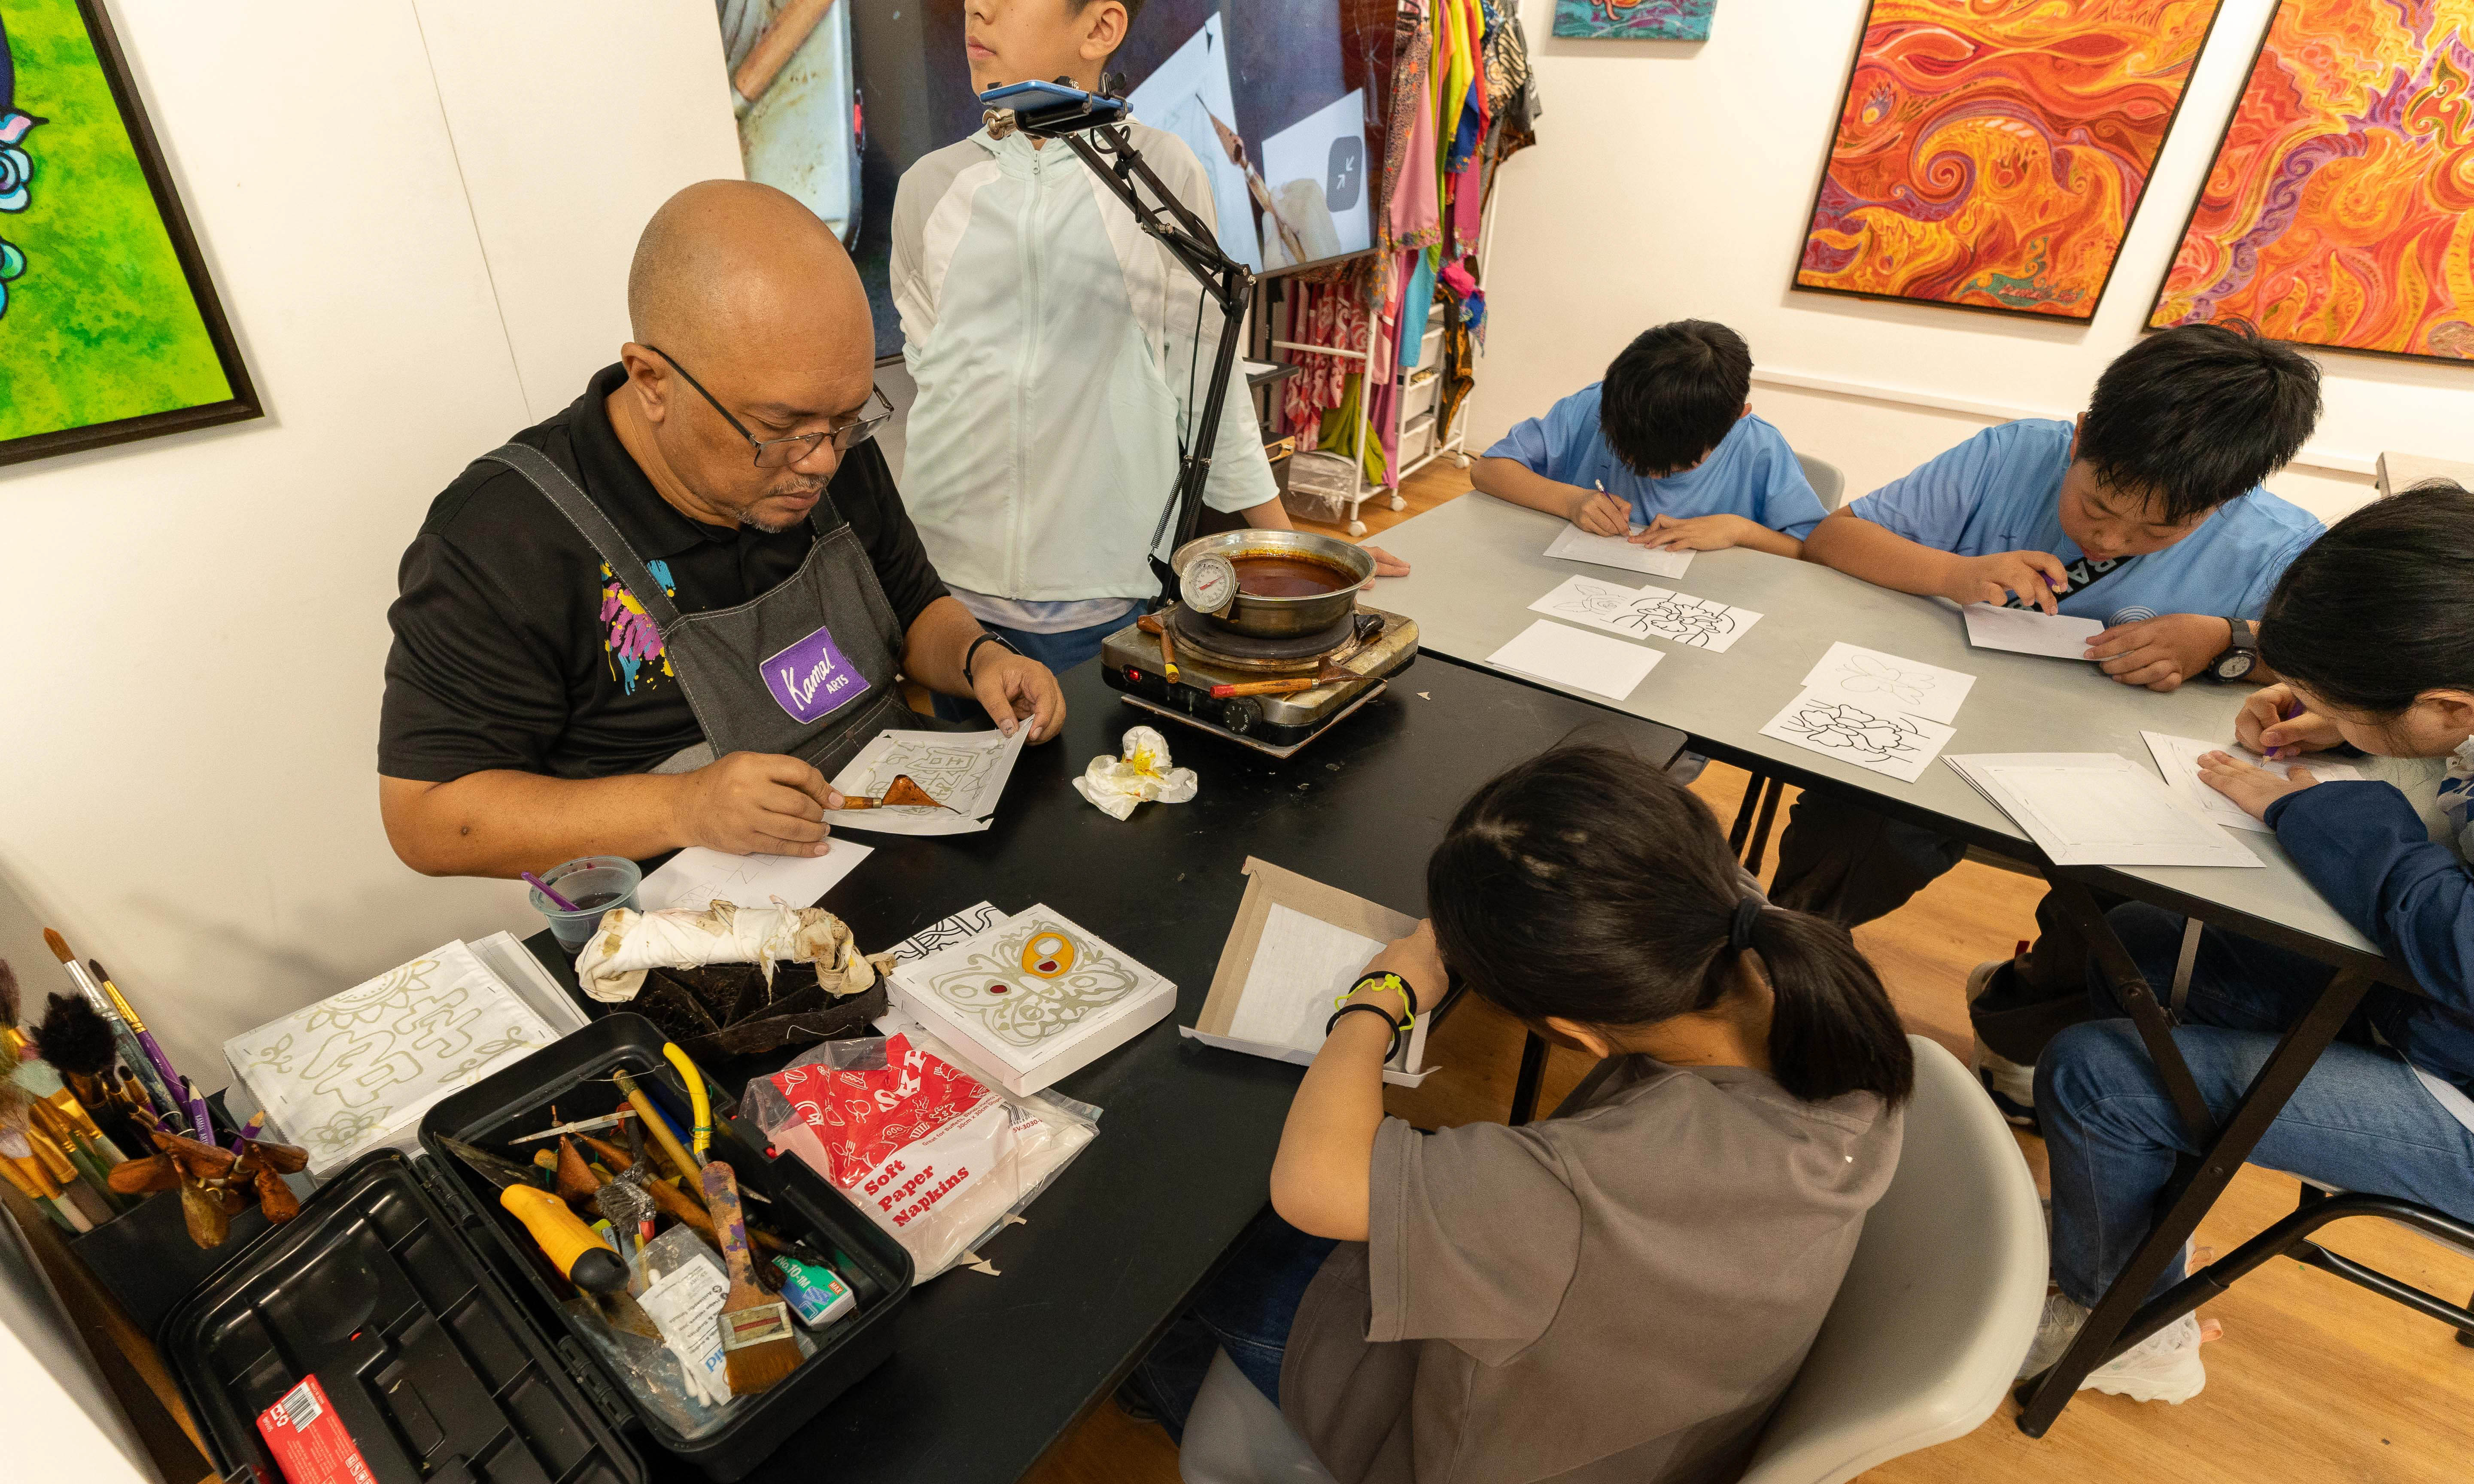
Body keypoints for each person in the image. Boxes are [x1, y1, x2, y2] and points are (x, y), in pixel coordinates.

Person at [1129, 744, 1913, 1484]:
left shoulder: (1588, 1192)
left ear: (1577, 1033)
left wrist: (1379, 999)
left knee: (1179, 1213)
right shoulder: (1805, 979)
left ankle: (1159, 1389)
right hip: (1636, 1418)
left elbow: (1314, 1188)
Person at [376, 181, 1065, 879]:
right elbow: (427, 818)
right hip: (706, 919)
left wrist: (979, 658)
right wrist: (683, 806)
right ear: (650, 379)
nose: (822, 461)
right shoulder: (502, 539)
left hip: (900, 840)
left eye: (846, 421)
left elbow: (913, 604)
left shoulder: (825, 442)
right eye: (778, 431)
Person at [2026, 486, 2474, 1404]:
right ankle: (2133, 1242)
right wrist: (2365, 730)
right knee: (2147, 943)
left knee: (2099, 1074)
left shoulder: (2461, 710)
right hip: (2452, 1024)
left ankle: (2126, 1333)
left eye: (2340, 701)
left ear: (2448, 703)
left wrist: (2308, 803)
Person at [890, 0, 1404, 694]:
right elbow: (936, 388)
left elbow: (1208, 388)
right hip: (952, 602)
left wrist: (1295, 557)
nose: (977, 10)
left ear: (1100, 29)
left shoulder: (1161, 176)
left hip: (1100, 593)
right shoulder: (927, 188)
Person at [1774, 325, 2325, 932]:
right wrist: (1953, 573)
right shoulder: (2013, 456)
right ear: (2081, 437)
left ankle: (2023, 1001)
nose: (2110, 540)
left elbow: (2334, 678)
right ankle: (1789, 957)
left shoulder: (2279, 545)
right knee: (1854, 833)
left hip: (2122, 785)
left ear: (2232, 495)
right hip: (1932, 732)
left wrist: (2226, 641)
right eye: (2096, 507)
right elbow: (1833, 538)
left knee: (2130, 920)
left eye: (2158, 533)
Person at [1468, 319, 1828, 558]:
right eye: (1627, 453)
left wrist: (1739, 530)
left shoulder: (1759, 449)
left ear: (1737, 418)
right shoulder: (1595, 406)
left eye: (1676, 465)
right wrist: (1570, 500)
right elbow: (1488, 470)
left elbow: (1817, 550)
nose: (1651, 476)